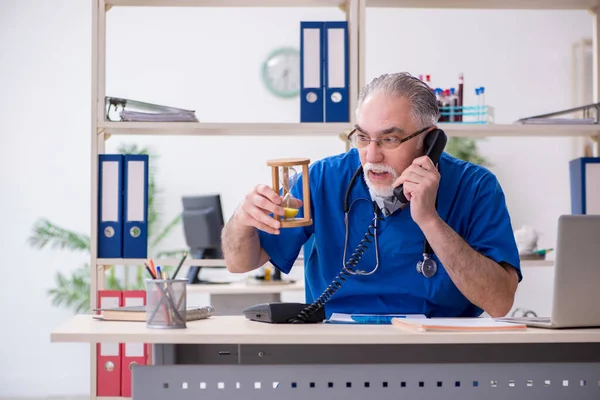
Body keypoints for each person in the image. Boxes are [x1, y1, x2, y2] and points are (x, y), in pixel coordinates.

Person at [221, 72, 522, 319]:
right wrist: (241, 219)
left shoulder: (476, 186)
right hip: (336, 352)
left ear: (429, 140)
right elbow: (240, 263)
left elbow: (499, 302)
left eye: (390, 139)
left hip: (439, 353)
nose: (371, 155)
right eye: (363, 137)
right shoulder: (323, 179)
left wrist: (429, 220)